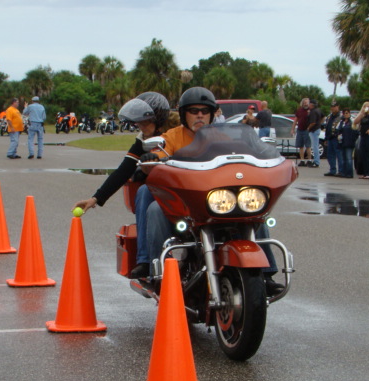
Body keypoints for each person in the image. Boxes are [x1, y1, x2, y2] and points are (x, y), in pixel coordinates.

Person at [143, 87, 283, 294]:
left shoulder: (223, 136)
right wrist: (153, 158)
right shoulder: (171, 137)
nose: (199, 115)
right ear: (184, 114)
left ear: (211, 114)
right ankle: (158, 272)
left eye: (204, 111)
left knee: (255, 213)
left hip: (219, 200)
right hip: (189, 205)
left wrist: (264, 154)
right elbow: (157, 153)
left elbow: (245, 152)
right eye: (193, 111)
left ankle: (266, 275)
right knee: (155, 209)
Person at [71, 92, 172, 279]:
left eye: (145, 122)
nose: (140, 126)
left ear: (158, 119)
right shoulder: (144, 140)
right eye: (138, 122)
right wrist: (96, 198)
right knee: (143, 191)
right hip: (162, 192)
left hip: (185, 189)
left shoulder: (177, 134)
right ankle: (145, 261)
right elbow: (123, 171)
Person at [323, 100, 342, 176]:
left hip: (336, 138)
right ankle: (332, 170)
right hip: (330, 138)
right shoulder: (329, 116)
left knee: (339, 155)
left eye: (335, 106)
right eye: (332, 107)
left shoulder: (341, 116)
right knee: (330, 155)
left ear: (338, 107)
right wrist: (326, 138)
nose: (333, 108)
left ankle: (341, 171)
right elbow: (327, 127)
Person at [336, 108, 357, 178]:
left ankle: (349, 173)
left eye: (347, 113)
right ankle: (344, 173)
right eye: (344, 113)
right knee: (343, 159)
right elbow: (337, 130)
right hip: (342, 142)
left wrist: (352, 140)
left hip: (349, 143)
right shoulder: (341, 122)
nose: (345, 114)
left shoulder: (352, 122)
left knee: (348, 159)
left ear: (349, 113)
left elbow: (355, 132)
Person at [291, 98, 311, 165]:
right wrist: (292, 129)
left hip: (307, 130)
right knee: (301, 146)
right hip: (300, 130)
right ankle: (302, 160)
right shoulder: (299, 110)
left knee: (308, 146)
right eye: (304, 102)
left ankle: (309, 160)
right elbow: (295, 120)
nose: (305, 104)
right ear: (302, 103)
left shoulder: (310, 111)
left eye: (307, 102)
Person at [306, 99, 323, 168]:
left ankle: (316, 162)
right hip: (317, 129)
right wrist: (320, 123)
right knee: (315, 146)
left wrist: (308, 128)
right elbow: (323, 116)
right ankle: (316, 161)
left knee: (315, 146)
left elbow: (313, 122)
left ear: (312, 105)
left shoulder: (313, 112)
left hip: (314, 130)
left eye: (309, 104)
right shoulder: (318, 110)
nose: (309, 105)